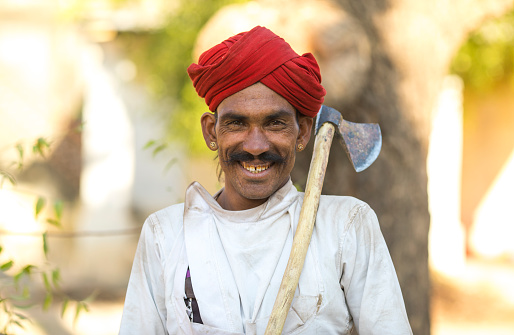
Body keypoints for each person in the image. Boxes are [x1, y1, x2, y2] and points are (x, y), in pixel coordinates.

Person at [119, 26, 412, 335]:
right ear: (210, 131)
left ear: (302, 132)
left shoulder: (346, 225)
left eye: (275, 124)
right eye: (236, 123)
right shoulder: (165, 235)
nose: (256, 146)